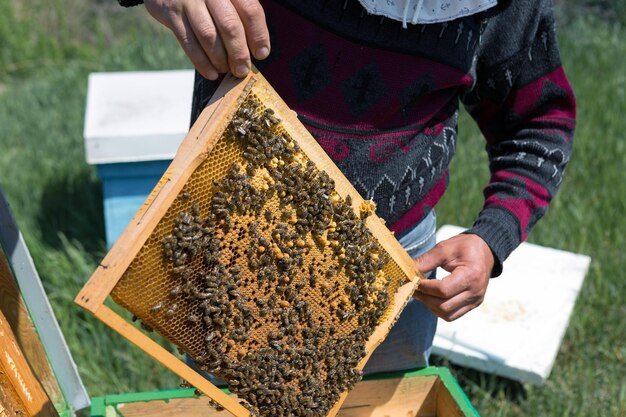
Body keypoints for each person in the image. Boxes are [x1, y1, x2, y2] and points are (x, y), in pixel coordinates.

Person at [117, 0, 575, 372]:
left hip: (394, 270)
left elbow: (539, 124)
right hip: (236, 250)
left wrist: (491, 237)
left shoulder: (506, 11)